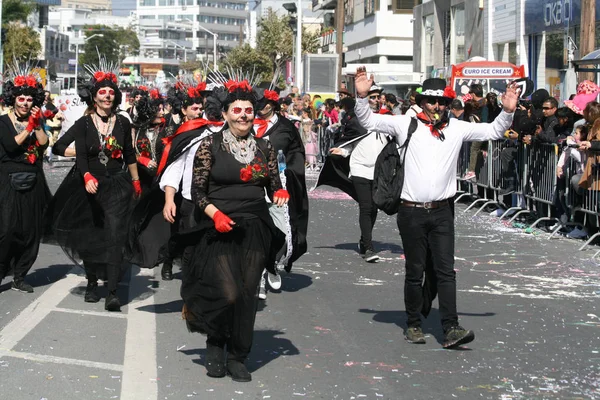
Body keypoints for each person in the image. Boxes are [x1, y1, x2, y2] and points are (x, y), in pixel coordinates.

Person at [353, 69, 519, 349]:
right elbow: (368, 120)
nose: (437, 107)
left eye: (442, 102)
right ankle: (414, 323)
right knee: (415, 270)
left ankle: (451, 327)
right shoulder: (405, 124)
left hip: (443, 211)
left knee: (445, 271)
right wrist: (360, 95)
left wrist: (507, 110)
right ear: (422, 101)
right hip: (411, 211)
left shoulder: (457, 127)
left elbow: (494, 130)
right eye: (431, 101)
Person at [171, 81, 288, 382]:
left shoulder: (265, 147)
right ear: (224, 113)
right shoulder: (209, 146)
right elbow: (198, 193)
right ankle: (215, 342)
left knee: (248, 293)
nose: (243, 116)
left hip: (255, 228)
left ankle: (238, 355)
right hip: (219, 226)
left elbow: (274, 183)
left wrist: (280, 193)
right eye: (237, 110)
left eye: (248, 111)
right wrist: (216, 214)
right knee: (229, 292)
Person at [46, 68, 141, 311]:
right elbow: (58, 148)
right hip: (88, 186)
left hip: (117, 185)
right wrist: (83, 156)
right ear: (95, 97)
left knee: (114, 237)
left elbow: (129, 154)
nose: (107, 96)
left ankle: (111, 292)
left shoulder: (122, 121)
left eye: (111, 93)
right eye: (102, 92)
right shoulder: (84, 123)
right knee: (91, 236)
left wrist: (136, 181)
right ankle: (90, 283)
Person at [253, 88, 309, 300]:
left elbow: (297, 153)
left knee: (283, 232)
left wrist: (288, 175)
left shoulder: (285, 127)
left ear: (273, 104)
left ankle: (273, 263)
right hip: (251, 186)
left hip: (279, 187)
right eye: (258, 102)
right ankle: (258, 277)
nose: (261, 106)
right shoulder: (244, 123)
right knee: (256, 231)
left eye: (265, 102)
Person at [0, 70, 52, 293]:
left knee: (31, 232)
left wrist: (37, 124)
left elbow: (43, 144)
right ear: (13, 99)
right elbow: (11, 146)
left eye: (29, 99)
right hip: (7, 183)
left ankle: (20, 276)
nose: (25, 102)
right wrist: (28, 128)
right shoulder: (3, 122)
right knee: (7, 230)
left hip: (33, 182)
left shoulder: (36, 120)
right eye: (21, 98)